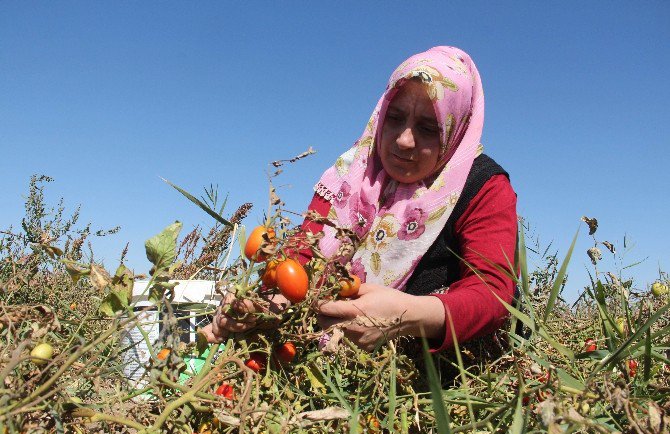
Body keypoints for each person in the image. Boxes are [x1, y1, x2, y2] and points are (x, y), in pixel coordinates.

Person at [203, 46, 517, 353]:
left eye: (428, 128)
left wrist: (406, 316)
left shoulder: (482, 185)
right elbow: (303, 256)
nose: (404, 140)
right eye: (395, 117)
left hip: (422, 379)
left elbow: (493, 294)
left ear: (455, 127)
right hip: (325, 360)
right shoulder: (349, 174)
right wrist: (264, 303)